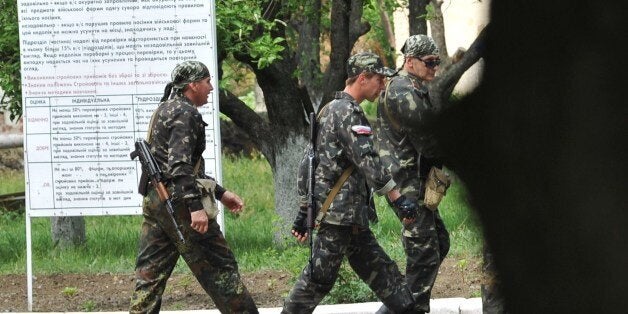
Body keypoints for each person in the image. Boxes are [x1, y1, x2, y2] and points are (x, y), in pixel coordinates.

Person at [282, 52, 423, 314]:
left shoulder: (328, 109)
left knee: (384, 273)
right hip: (340, 216)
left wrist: (306, 207)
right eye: (379, 80)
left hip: (347, 217)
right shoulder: (348, 112)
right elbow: (368, 161)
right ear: (362, 78)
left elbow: (308, 162)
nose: (382, 86)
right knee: (317, 280)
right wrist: (398, 199)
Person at [129, 61, 258, 314]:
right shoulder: (186, 113)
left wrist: (221, 194)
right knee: (221, 270)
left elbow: (184, 167)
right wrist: (196, 208)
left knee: (149, 276)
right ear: (193, 85)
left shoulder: (165, 108)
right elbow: (179, 165)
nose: (211, 88)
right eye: (208, 82)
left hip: (157, 201)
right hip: (179, 205)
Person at [374, 35, 451, 314]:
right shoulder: (403, 91)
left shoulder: (413, 87)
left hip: (414, 180)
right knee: (424, 254)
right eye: (429, 62)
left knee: (438, 243)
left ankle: (397, 307)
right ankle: (411, 309)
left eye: (437, 62)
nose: (434, 68)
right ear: (410, 62)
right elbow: (428, 141)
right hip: (406, 183)